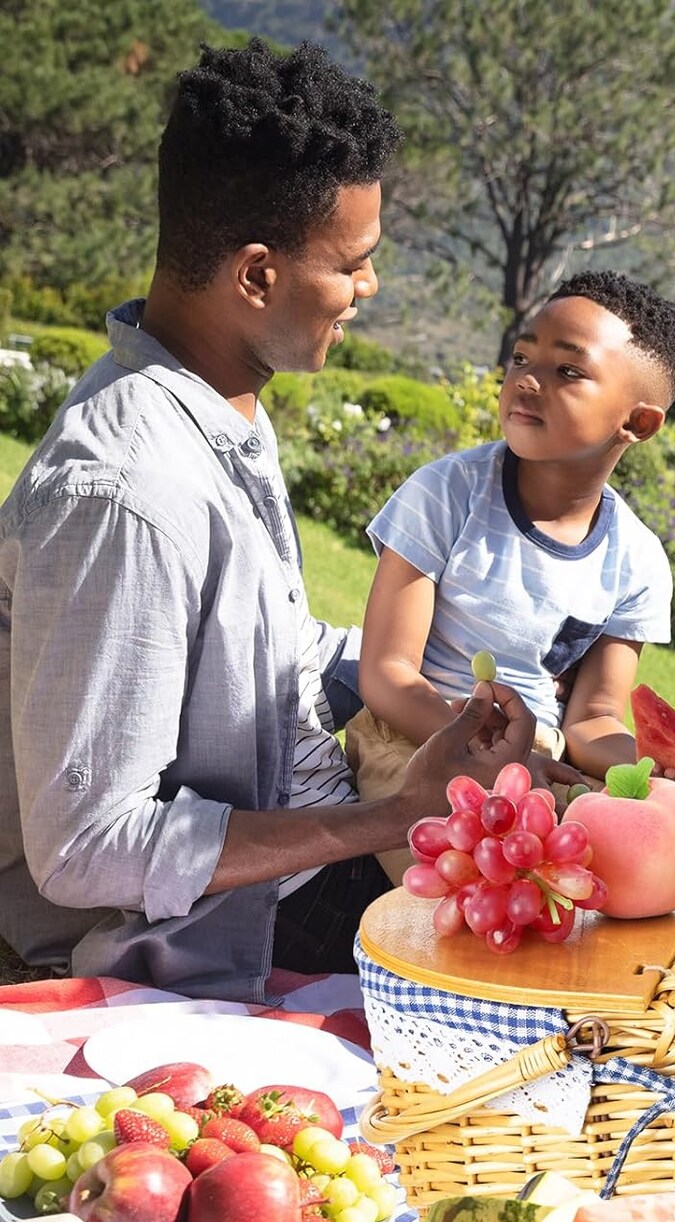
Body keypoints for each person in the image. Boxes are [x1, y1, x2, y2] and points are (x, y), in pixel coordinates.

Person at [0, 39, 551, 1002]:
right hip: (245, 918)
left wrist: (444, 672)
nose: (368, 288)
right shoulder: (125, 494)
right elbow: (87, 847)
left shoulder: (222, 407)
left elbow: (267, 645)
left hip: (317, 842)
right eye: (354, 265)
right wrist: (395, 818)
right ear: (256, 276)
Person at [347, 270, 675, 884]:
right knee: (491, 882)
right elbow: (386, 675)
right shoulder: (446, 494)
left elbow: (593, 719)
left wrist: (647, 767)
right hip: (418, 740)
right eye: (521, 356)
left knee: (669, 861)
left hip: (537, 761)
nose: (526, 379)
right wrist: (488, 752)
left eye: (568, 370)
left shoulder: (636, 559)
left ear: (638, 424)